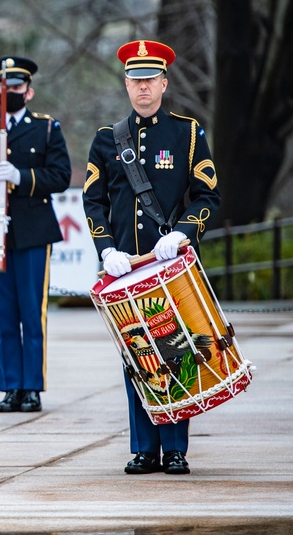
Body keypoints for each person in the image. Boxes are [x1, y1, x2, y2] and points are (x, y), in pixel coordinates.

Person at [82, 40, 220, 476]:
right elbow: (93, 201)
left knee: (176, 350)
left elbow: (207, 196)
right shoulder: (107, 139)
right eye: (135, 80)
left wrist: (182, 232)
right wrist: (106, 249)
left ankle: (175, 448)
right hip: (125, 263)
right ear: (126, 85)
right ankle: (144, 448)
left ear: (164, 82)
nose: (142, 88)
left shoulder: (187, 133)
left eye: (150, 80)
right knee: (136, 353)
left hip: (170, 262)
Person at [0, 56, 71, 414]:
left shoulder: (47, 128)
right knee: (3, 312)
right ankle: (11, 385)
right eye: (6, 87)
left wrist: (22, 177)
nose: (12, 92)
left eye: (18, 87)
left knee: (31, 311)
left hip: (33, 229)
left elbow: (61, 176)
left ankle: (32, 386)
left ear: (30, 91)